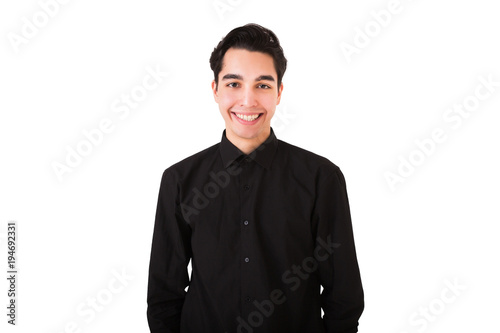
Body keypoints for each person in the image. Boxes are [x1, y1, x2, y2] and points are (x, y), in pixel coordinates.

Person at [147, 23, 364, 333]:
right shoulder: (179, 180)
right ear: (215, 90)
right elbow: (163, 296)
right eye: (234, 84)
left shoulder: (321, 178)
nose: (247, 101)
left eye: (262, 85)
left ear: (279, 92)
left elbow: (343, 296)